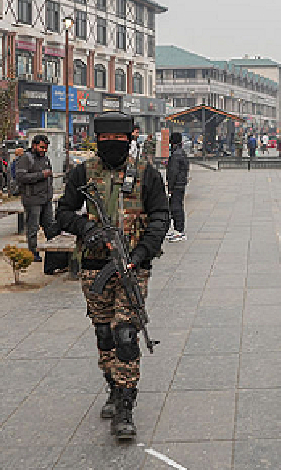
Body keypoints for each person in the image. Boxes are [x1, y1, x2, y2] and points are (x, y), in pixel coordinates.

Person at [55, 112, 170, 440]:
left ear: (130, 140)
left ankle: (125, 405)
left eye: (119, 142)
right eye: (105, 142)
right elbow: (62, 213)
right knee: (104, 333)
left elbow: (161, 216)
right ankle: (113, 386)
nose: (112, 148)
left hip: (134, 267)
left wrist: (142, 252)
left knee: (125, 335)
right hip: (94, 267)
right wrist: (87, 228)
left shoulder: (146, 173)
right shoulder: (83, 173)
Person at [15, 135, 54, 262]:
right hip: (32, 200)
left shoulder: (45, 159)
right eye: (42, 147)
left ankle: (53, 253)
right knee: (33, 228)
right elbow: (21, 177)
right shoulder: (26, 159)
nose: (44, 150)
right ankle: (33, 253)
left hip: (45, 199)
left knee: (50, 227)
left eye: (46, 148)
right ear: (34, 145)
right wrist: (40, 175)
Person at [166, 132, 189, 242]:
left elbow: (173, 172)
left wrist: (170, 186)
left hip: (176, 185)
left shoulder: (175, 155)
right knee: (177, 206)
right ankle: (177, 229)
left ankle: (179, 231)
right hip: (181, 183)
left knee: (176, 207)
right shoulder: (181, 152)